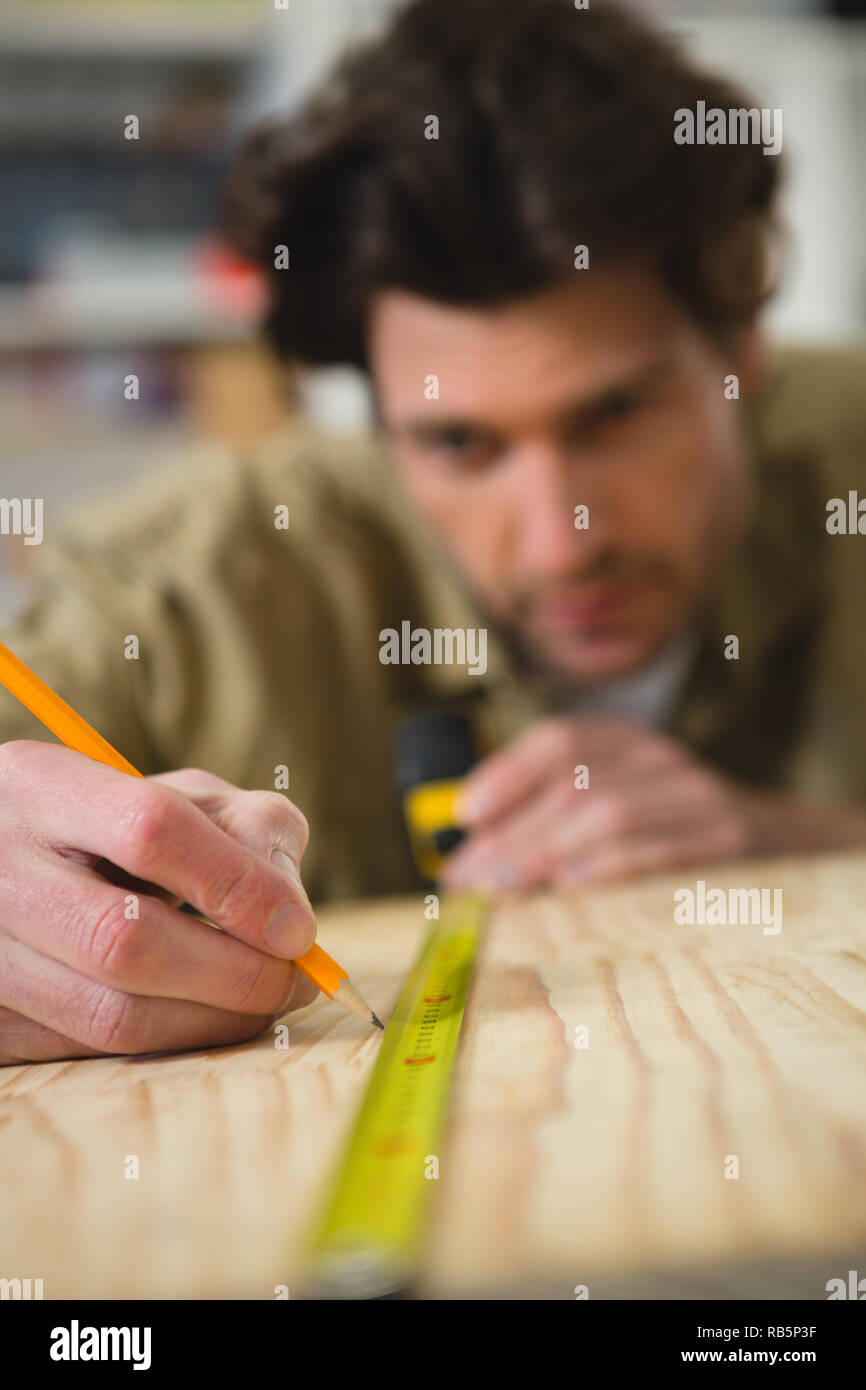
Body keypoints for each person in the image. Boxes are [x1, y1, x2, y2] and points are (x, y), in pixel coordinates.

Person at [1, 0, 864, 1064]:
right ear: (372, 423)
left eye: (613, 415)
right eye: (459, 443)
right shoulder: (198, 582)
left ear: (741, 345)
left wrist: (799, 842)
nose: (559, 543)